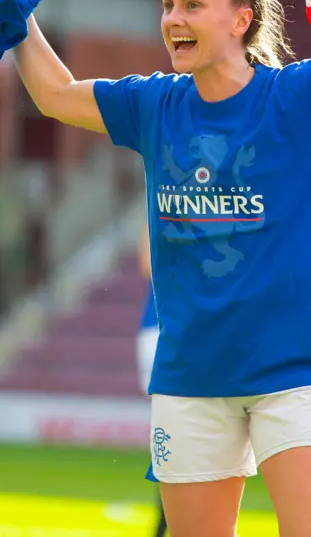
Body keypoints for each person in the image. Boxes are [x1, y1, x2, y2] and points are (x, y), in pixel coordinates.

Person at [1, 0, 311, 537]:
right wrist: (15, 9)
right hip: (190, 378)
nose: (173, 19)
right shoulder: (155, 104)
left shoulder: (303, 95)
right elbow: (53, 94)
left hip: (293, 375)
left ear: (242, 20)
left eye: (192, 5)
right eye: (168, 6)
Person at [136, 225, 166, 537]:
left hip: (200, 329)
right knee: (167, 430)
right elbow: (148, 262)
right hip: (159, 328)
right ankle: (162, 524)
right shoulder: (162, 194)